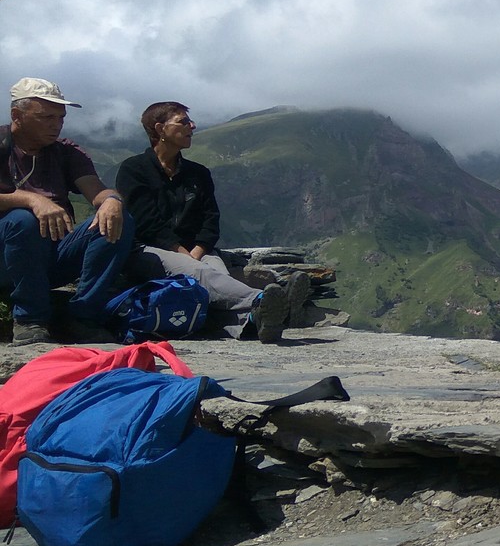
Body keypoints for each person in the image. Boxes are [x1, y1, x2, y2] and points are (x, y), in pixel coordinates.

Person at [115, 101, 303, 343]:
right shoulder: (134, 169)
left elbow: (210, 219)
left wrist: (198, 250)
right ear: (160, 129)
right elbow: (145, 222)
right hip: (148, 250)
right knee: (202, 274)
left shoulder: (198, 173)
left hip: (196, 249)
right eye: (183, 122)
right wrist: (184, 255)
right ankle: (262, 300)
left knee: (212, 278)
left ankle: (254, 323)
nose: (192, 126)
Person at [0, 77, 132, 345]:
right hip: (7, 255)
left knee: (119, 220)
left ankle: (83, 317)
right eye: (46, 117)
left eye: (60, 117)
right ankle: (30, 319)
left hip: (53, 252)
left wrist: (112, 201)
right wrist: (31, 200)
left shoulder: (66, 152)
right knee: (22, 220)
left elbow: (96, 190)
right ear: (17, 115)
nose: (56, 124)